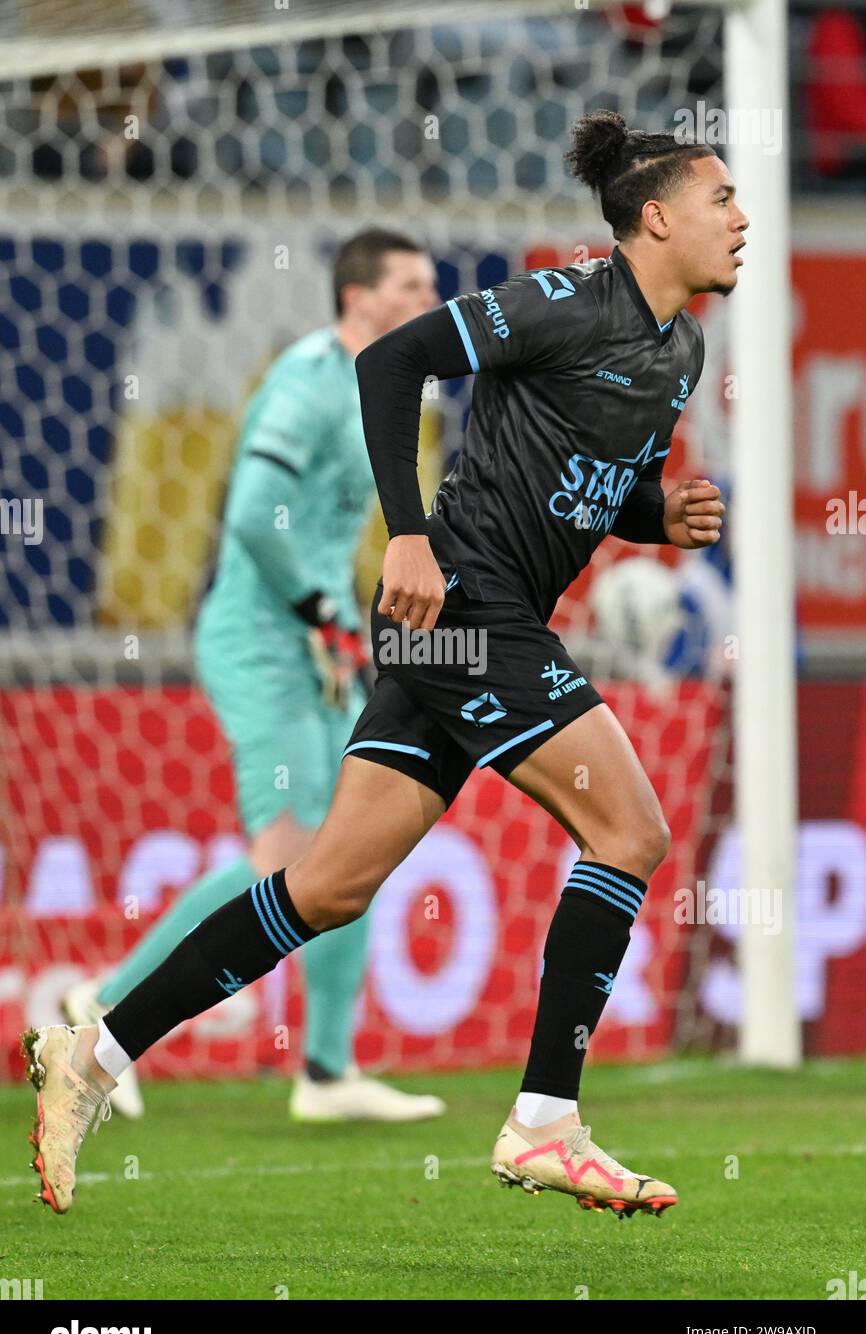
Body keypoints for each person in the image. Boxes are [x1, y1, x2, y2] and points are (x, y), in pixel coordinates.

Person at [23, 109, 741, 1218]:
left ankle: (98, 1053)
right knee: (631, 832)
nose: (740, 219)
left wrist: (659, 513)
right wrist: (405, 529)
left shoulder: (676, 349)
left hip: (467, 626)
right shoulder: (560, 301)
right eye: (720, 199)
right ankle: (545, 1121)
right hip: (457, 606)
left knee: (327, 883)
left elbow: (599, 486)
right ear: (654, 218)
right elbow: (393, 358)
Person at [62, 227, 445, 1127]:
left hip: (326, 641)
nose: (430, 295)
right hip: (265, 641)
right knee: (285, 856)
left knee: (356, 840)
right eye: (412, 282)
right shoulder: (309, 381)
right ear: (360, 298)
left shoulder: (381, 386)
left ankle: (325, 1069)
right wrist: (320, 608)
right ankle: (104, 1004)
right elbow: (251, 518)